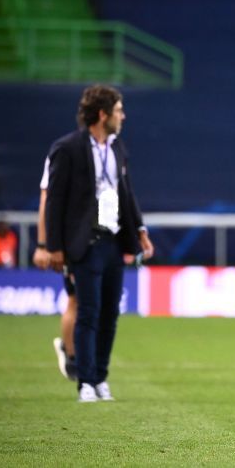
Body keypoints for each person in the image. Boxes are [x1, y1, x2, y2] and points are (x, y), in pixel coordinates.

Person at [45, 84, 154, 402]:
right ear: (103, 114)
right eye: (119, 110)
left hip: (113, 241)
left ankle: (101, 377)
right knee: (88, 312)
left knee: (110, 314)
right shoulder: (67, 148)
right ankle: (85, 381)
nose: (123, 116)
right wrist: (54, 246)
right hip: (84, 243)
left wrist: (140, 230)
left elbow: (127, 193)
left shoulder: (118, 148)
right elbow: (55, 201)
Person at [34, 157, 79, 381]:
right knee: (77, 299)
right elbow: (47, 200)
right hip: (71, 243)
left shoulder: (108, 151)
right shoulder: (63, 153)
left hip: (95, 241)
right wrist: (46, 245)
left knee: (92, 302)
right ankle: (71, 355)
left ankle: (77, 351)